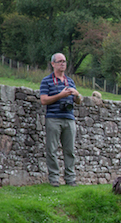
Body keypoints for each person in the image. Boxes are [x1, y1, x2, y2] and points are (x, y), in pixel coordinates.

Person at [40, 53, 82, 187]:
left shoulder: (70, 81)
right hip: (53, 118)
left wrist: (77, 95)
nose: (62, 64)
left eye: (64, 61)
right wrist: (60, 95)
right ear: (53, 64)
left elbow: (79, 102)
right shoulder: (46, 81)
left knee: (70, 151)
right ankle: (54, 179)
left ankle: (70, 179)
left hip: (69, 118)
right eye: (59, 61)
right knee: (52, 150)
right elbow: (44, 100)